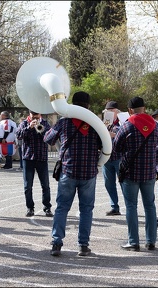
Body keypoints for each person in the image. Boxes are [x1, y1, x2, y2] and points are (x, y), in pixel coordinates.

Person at [43, 91, 102, 257]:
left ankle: (56, 243)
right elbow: (104, 145)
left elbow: (48, 139)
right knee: (86, 210)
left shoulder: (64, 122)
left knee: (62, 208)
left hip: (68, 171)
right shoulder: (94, 123)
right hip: (89, 172)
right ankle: (83, 245)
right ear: (88, 105)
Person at [113, 97, 158, 251]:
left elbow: (116, 147)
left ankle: (133, 241)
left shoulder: (126, 126)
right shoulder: (156, 126)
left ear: (130, 111)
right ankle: (151, 241)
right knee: (150, 206)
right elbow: (157, 143)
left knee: (131, 207)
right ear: (144, 108)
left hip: (130, 172)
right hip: (149, 172)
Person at [16, 110, 53, 218]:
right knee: (28, 186)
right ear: (29, 114)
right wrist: (29, 128)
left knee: (45, 185)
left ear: (40, 114)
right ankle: (30, 208)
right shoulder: (24, 123)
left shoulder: (45, 123)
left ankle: (47, 208)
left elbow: (50, 137)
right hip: (28, 158)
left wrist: (42, 130)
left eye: (37, 116)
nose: (35, 118)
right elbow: (18, 135)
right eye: (33, 116)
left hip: (41, 157)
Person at [102, 101, 123, 216]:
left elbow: (126, 135)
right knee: (109, 183)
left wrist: (114, 135)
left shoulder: (122, 122)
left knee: (124, 183)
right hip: (106, 157)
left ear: (116, 112)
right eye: (107, 111)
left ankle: (130, 205)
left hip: (119, 157)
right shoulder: (105, 123)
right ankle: (114, 207)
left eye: (111, 111)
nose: (109, 113)